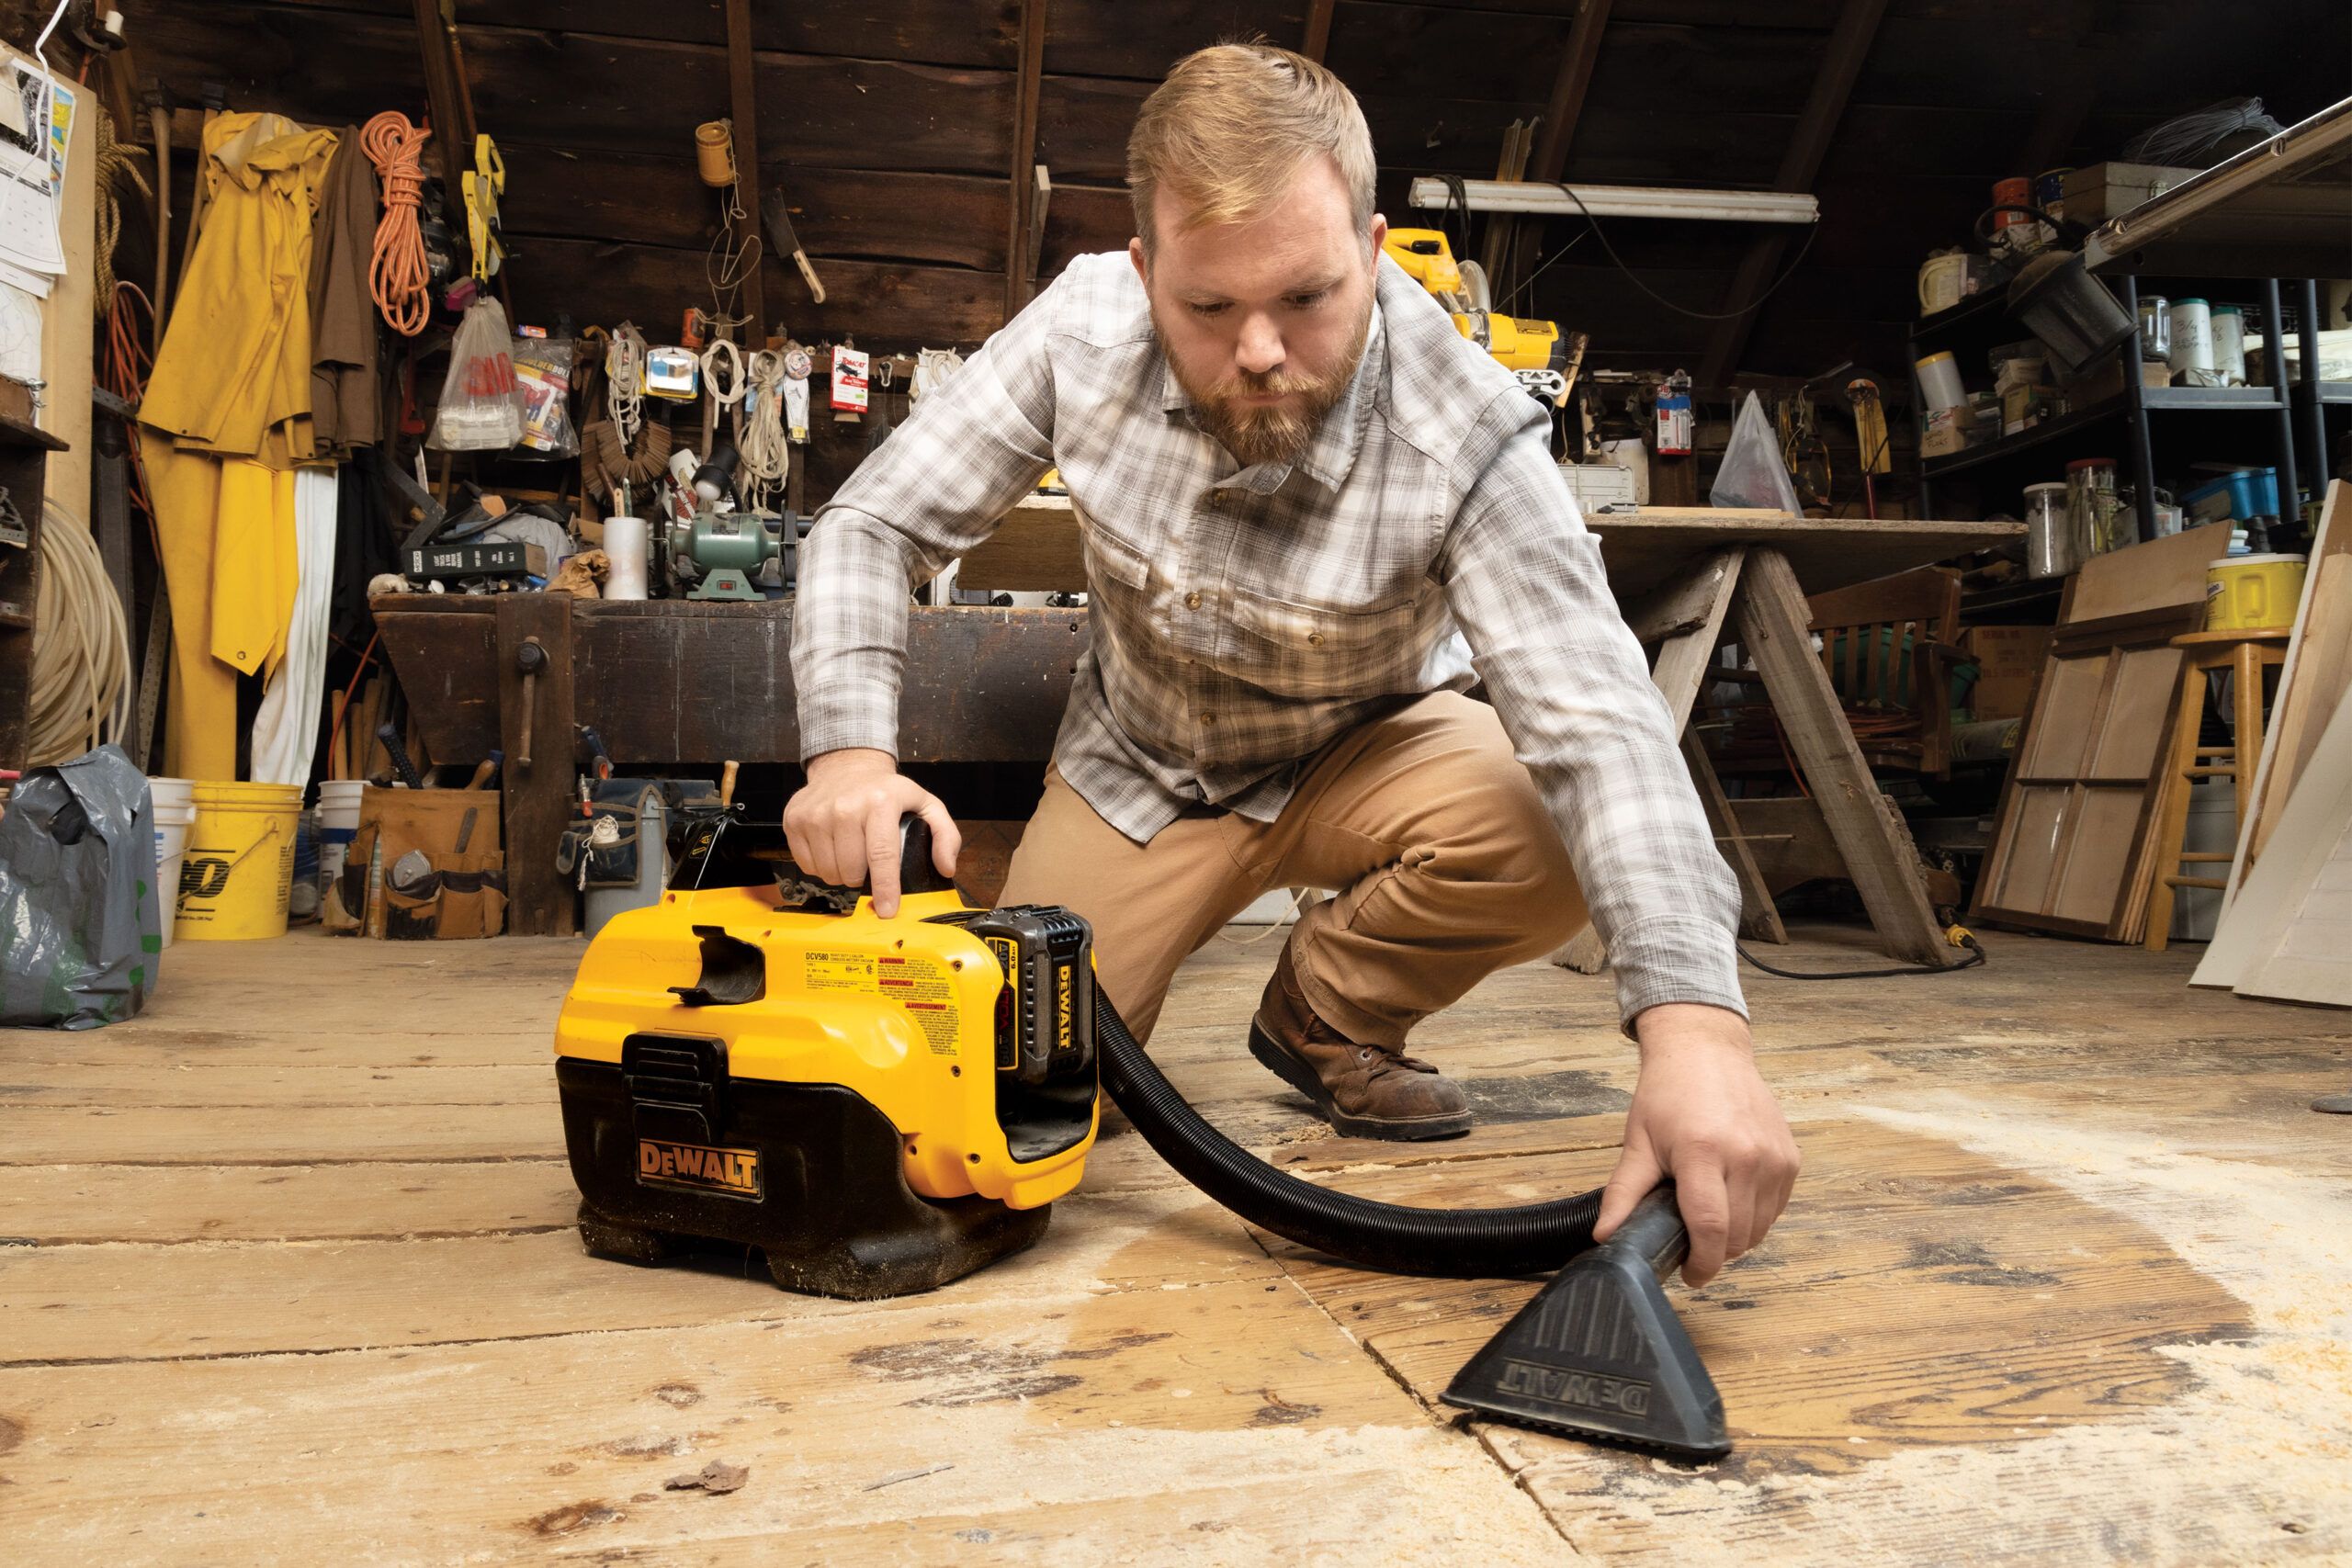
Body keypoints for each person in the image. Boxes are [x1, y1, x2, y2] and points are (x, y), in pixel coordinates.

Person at [786, 43, 1797, 1283]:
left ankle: (1328, 1009)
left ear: (1371, 252)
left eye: (1309, 298)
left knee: (1544, 830)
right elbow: (871, 524)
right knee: (1008, 1096)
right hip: (1141, 771)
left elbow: (1602, 721)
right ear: (1147, 270)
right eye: (1208, 310)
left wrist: (1698, 1031)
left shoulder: (1466, 426)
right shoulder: (1081, 330)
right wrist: (847, 758)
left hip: (1365, 751)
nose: (1259, 350)